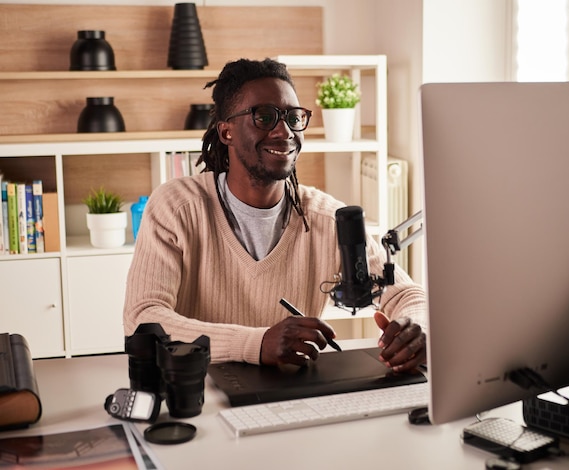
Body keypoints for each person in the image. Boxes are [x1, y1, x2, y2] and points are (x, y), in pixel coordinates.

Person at [123, 58, 427, 373]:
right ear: (226, 131)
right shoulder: (177, 206)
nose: (284, 132)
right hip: (198, 392)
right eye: (265, 117)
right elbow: (143, 319)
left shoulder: (327, 218)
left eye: (294, 117)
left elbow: (407, 295)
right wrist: (257, 344)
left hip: (292, 398)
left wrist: (415, 329)